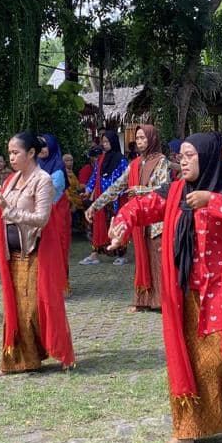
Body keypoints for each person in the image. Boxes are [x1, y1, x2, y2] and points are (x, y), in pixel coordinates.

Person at [109, 132, 222, 443]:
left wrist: (212, 201)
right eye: (182, 155)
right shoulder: (176, 191)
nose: (184, 160)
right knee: (188, 359)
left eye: (191, 155)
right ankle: (186, 430)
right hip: (185, 290)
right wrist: (122, 221)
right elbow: (144, 206)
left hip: (221, 287)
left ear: (207, 157)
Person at [0, 132, 75, 376]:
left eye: (15, 152)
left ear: (31, 153)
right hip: (13, 256)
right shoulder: (10, 181)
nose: (11, 157)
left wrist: (11, 213)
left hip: (36, 254)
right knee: (17, 309)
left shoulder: (42, 180)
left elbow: (42, 218)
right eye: (9, 152)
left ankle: (53, 349)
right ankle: (22, 360)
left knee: (35, 309)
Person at [88, 124, 169, 311]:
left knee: (158, 260)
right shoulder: (135, 164)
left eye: (144, 138)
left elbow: (166, 188)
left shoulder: (161, 161)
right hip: (139, 219)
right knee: (142, 260)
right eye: (138, 138)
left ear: (152, 139)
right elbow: (117, 187)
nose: (140, 142)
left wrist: (141, 190)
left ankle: (163, 301)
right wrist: (95, 205)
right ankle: (143, 300)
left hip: (157, 219)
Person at [81, 130, 128, 265]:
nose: (105, 145)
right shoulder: (101, 159)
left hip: (116, 200)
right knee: (99, 225)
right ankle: (94, 254)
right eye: (104, 142)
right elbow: (94, 176)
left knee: (117, 226)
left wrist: (118, 193)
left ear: (113, 142)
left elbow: (125, 179)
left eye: (107, 142)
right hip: (101, 199)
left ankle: (121, 254)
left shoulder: (121, 160)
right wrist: (88, 190)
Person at [37, 133, 72, 284]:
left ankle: (60, 284)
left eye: (44, 145)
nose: (42, 149)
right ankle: (44, 284)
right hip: (40, 214)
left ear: (51, 146)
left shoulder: (58, 166)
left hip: (56, 213)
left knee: (57, 247)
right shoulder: (36, 163)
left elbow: (52, 190)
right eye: (39, 145)